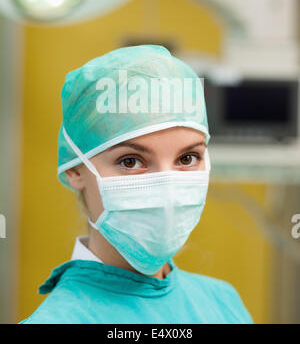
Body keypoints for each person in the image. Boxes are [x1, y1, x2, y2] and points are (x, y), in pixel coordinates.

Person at [20, 44, 253, 324]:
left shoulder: (223, 302)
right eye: (131, 161)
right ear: (75, 170)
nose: (167, 186)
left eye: (188, 157)